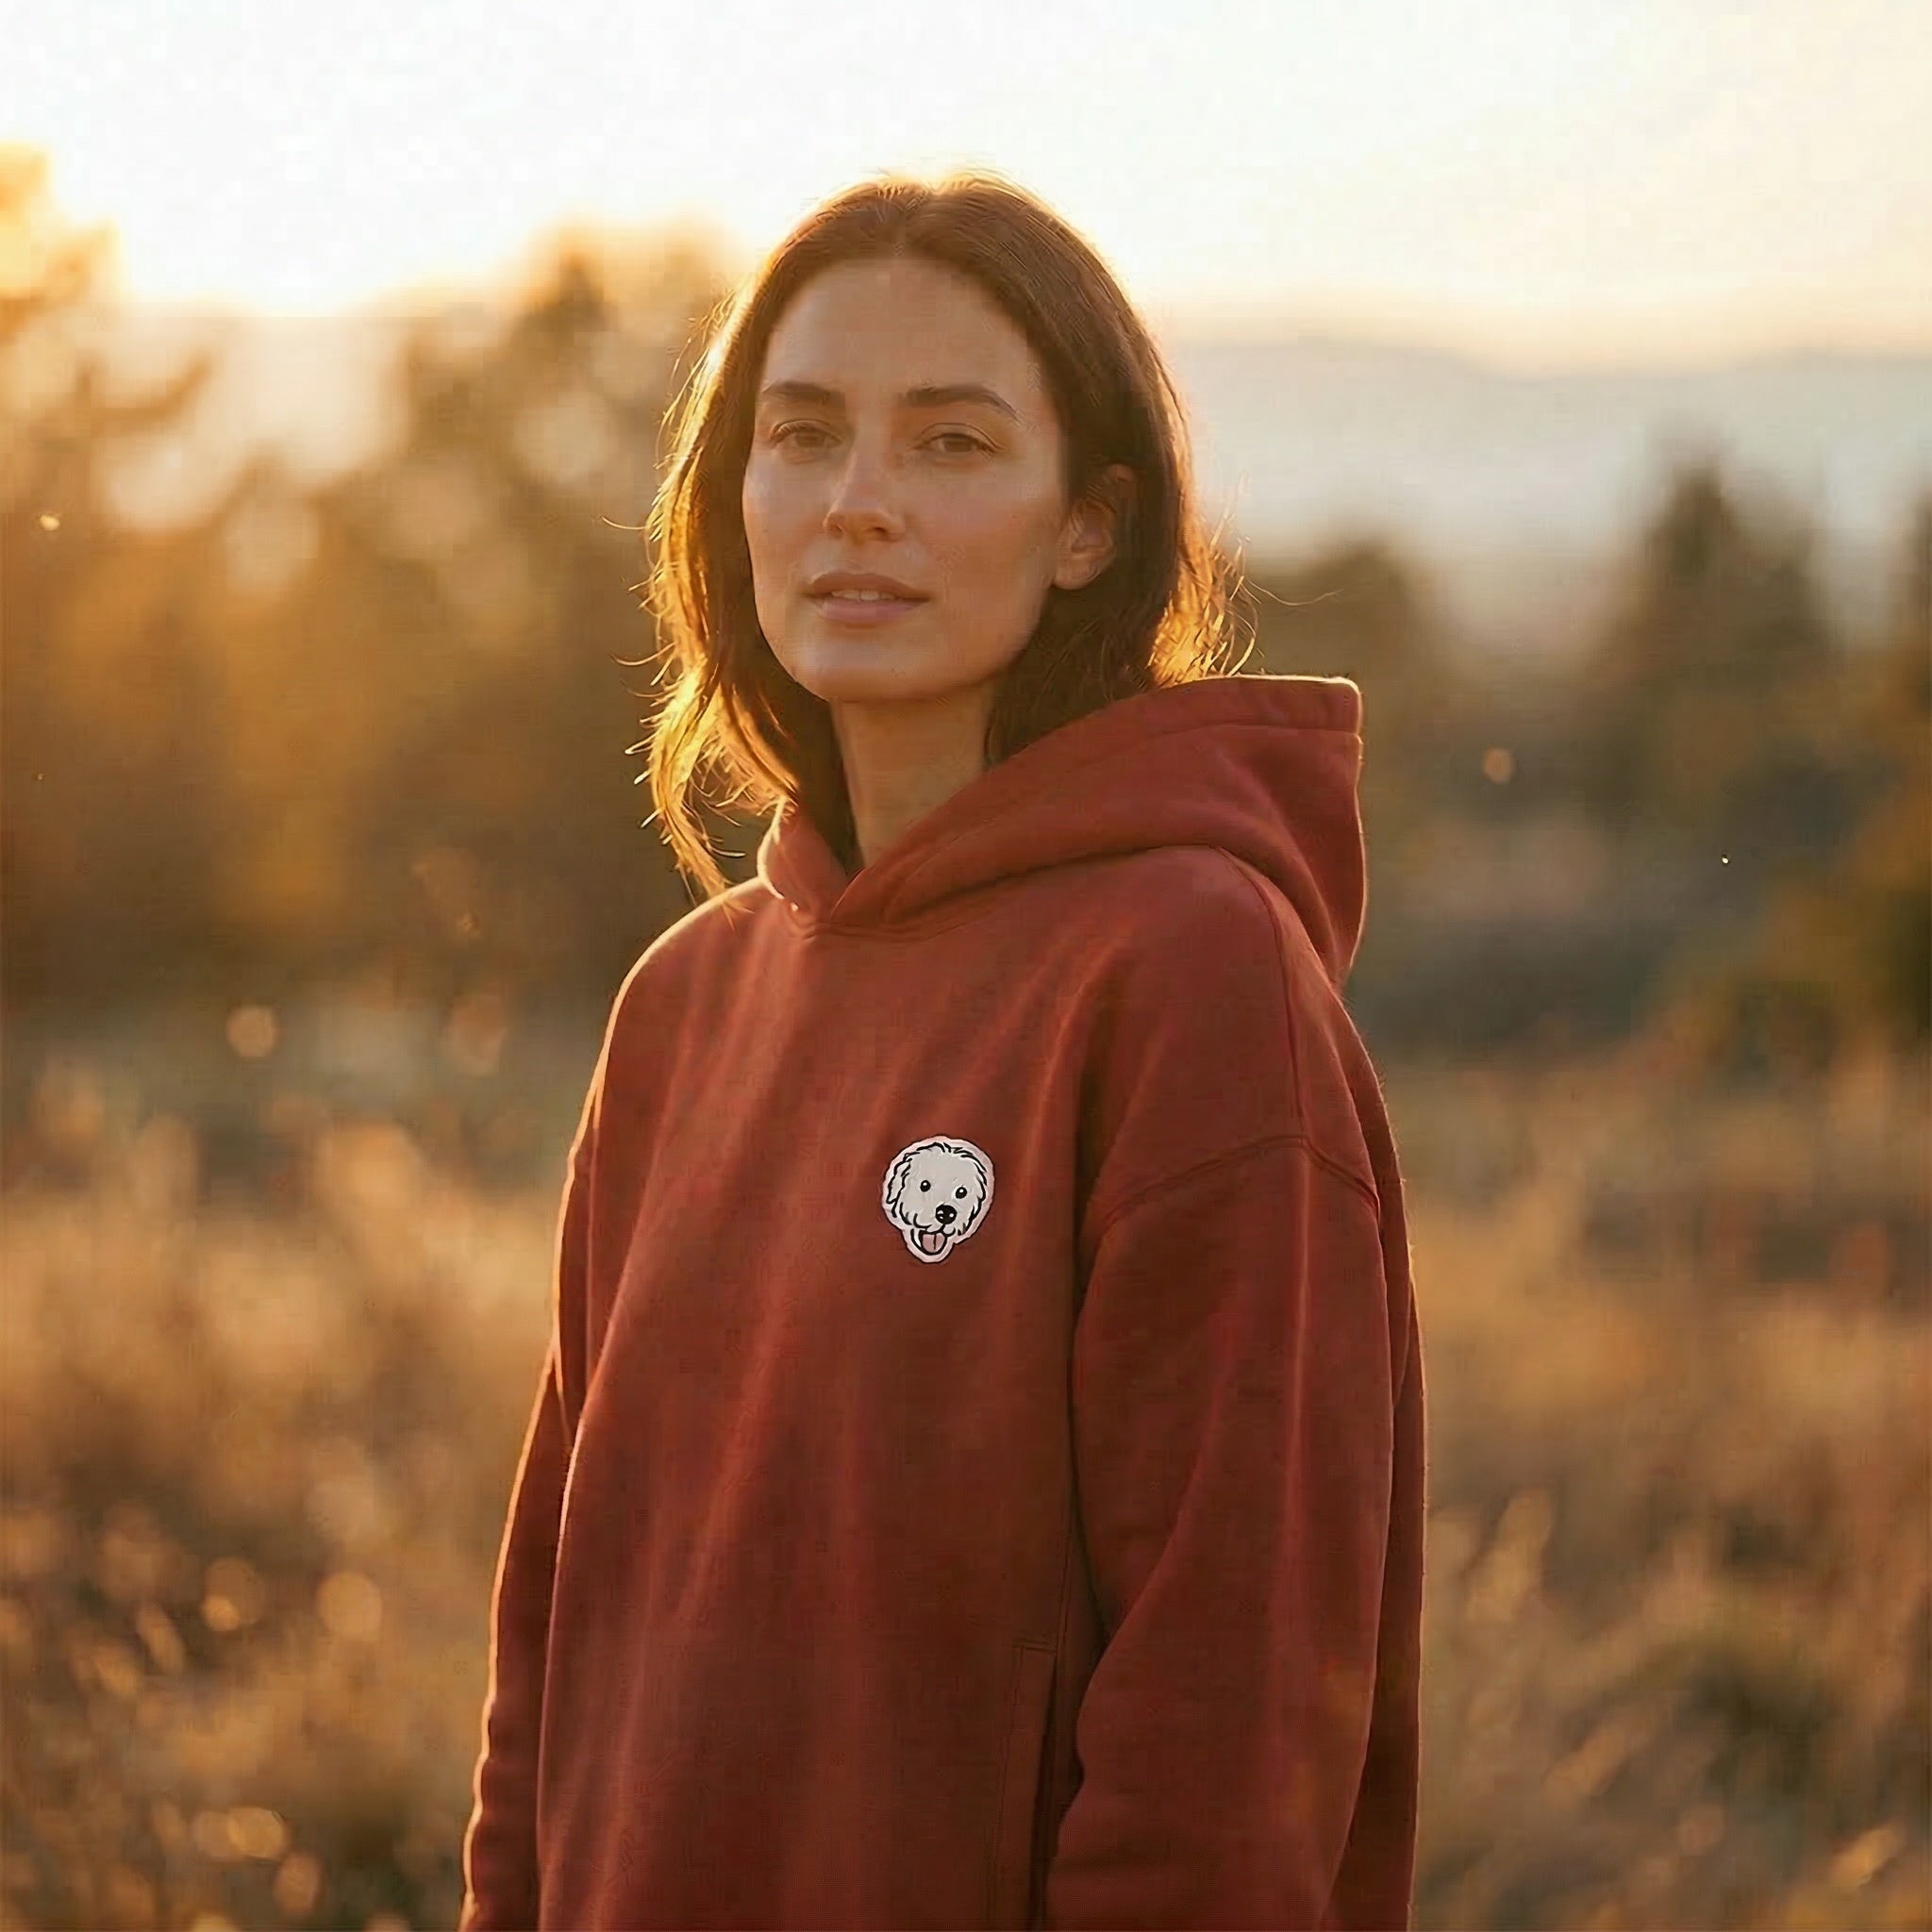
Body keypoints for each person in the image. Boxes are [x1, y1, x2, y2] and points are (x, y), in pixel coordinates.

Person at [458, 168, 1425, 1932]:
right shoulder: (684, 1008)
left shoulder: (1192, 977)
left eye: (954, 445)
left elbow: (1231, 1710)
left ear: (1089, 527)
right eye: (802, 435)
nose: (858, 508)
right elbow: (553, 1649)